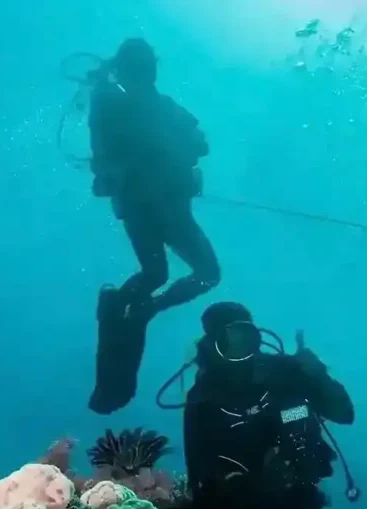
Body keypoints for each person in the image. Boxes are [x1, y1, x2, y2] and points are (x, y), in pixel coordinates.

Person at [87, 38, 221, 415]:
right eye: (140, 68)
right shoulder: (115, 104)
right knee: (182, 271)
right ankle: (130, 306)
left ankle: (131, 306)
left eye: (147, 67)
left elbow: (200, 144)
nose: (147, 74)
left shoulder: (145, 105)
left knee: (163, 271)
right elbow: (103, 153)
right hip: (150, 207)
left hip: (159, 207)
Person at [181, 302, 355, 509]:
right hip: (241, 498)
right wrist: (244, 486)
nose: (242, 348)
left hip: (295, 483)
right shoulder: (203, 397)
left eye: (247, 336)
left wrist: (319, 375)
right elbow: (198, 470)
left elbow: (345, 414)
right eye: (230, 339)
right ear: (212, 345)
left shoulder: (288, 372)